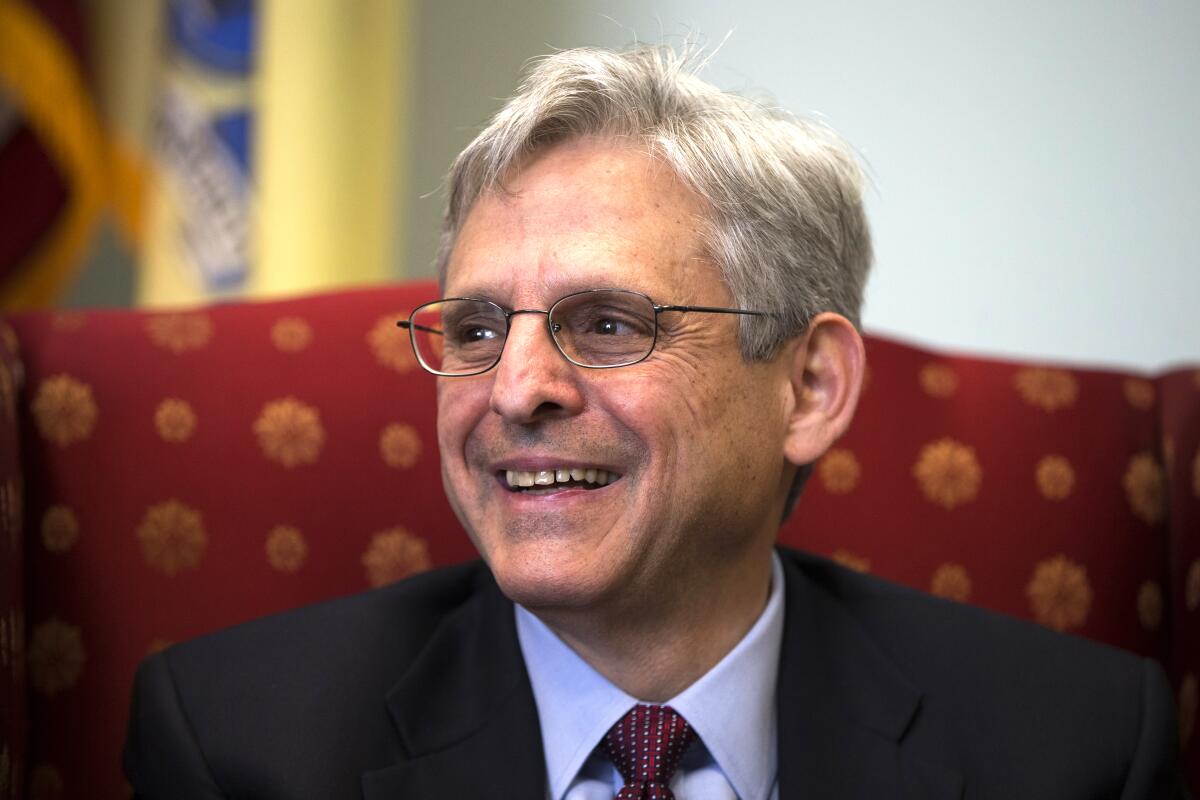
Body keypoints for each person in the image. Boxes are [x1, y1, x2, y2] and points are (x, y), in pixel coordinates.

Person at [123, 45, 1188, 799]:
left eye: (607, 322)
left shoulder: (1076, 746)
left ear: (810, 386)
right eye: (480, 326)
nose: (515, 386)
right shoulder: (240, 744)